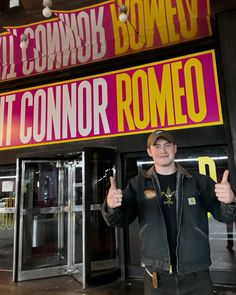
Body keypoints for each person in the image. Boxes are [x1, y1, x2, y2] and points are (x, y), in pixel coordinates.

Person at [102, 130, 236, 295]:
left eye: (167, 145)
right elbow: (119, 221)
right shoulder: (138, 185)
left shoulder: (198, 181)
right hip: (156, 277)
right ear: (149, 151)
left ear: (175, 148)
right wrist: (111, 206)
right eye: (156, 146)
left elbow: (226, 216)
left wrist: (230, 201)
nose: (162, 150)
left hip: (197, 275)